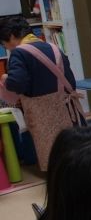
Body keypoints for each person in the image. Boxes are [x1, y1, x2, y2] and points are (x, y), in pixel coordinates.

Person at [0, 15, 85, 170]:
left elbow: (17, 83)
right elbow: (69, 78)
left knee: (53, 152)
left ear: (12, 36)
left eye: (4, 42)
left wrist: (6, 78)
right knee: (74, 147)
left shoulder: (19, 53)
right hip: (68, 106)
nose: (6, 47)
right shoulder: (53, 47)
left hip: (43, 111)